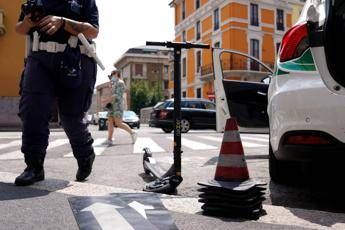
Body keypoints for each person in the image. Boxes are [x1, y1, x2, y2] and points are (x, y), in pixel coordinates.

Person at [14, 0, 99, 186]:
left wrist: (63, 22)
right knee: (33, 112)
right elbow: (19, 28)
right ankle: (34, 167)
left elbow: (93, 31)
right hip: (40, 60)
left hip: (74, 59)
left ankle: (85, 154)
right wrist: (29, 22)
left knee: (70, 117)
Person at [105, 71, 137, 146]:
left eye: (113, 74)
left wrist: (107, 99)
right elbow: (111, 94)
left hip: (118, 106)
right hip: (111, 106)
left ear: (117, 75)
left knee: (118, 123)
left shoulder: (120, 83)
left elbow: (118, 95)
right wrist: (109, 89)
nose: (112, 76)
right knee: (110, 122)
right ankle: (109, 139)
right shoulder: (113, 84)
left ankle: (132, 133)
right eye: (111, 75)